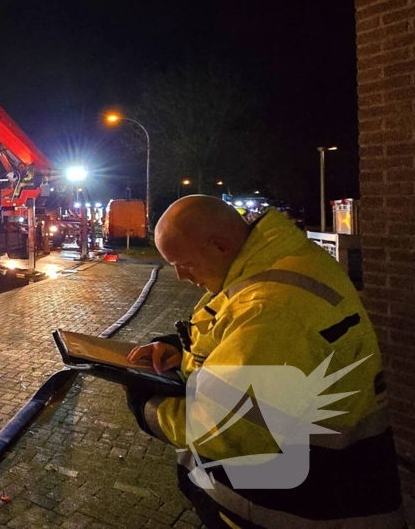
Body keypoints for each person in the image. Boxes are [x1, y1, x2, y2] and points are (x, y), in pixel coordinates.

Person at [125, 196, 403, 528]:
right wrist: (182, 353)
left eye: (183, 263)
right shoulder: (275, 266)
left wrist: (146, 402)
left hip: (299, 511)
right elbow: (242, 347)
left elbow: (228, 429)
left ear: (219, 246)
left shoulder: (273, 309)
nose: (181, 276)